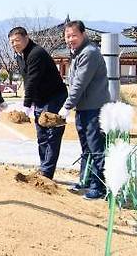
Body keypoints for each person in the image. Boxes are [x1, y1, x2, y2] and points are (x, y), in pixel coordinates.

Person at [58, 20, 110, 200]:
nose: (70, 39)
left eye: (74, 35)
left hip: (94, 108)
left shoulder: (89, 53)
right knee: (86, 147)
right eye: (67, 36)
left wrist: (66, 106)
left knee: (96, 148)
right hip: (83, 108)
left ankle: (99, 186)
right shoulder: (77, 53)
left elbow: (79, 84)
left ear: (83, 34)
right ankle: (86, 180)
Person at [9, 27, 68, 179]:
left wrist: (26, 104)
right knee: (41, 135)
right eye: (12, 42)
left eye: (17, 40)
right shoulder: (19, 55)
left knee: (51, 134)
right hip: (40, 99)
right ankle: (44, 169)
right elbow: (27, 80)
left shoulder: (36, 53)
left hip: (54, 97)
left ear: (26, 37)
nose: (14, 44)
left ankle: (46, 173)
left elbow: (33, 80)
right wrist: (31, 102)